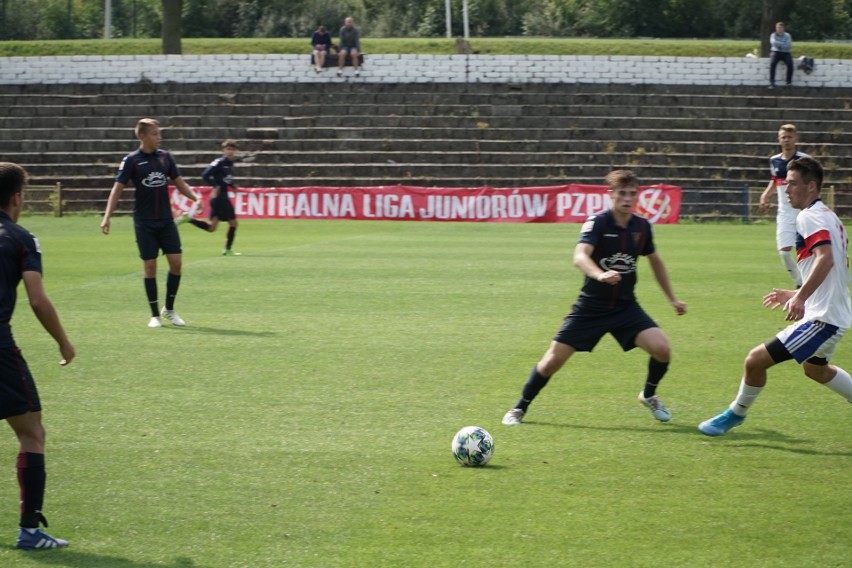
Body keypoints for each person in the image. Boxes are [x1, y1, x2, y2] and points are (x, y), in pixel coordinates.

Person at [501, 170, 688, 426]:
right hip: (591, 307)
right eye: (622, 193)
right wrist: (599, 275)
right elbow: (579, 256)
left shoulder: (641, 227)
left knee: (662, 349)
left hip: (625, 308)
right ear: (610, 194)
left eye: (632, 194)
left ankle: (649, 395)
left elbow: (655, 261)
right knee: (550, 363)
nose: (627, 198)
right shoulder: (597, 222)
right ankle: (519, 409)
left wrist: (672, 299)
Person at [699, 157, 852, 436]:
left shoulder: (809, 216)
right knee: (815, 369)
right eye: (785, 183)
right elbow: (841, 264)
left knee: (755, 360)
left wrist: (801, 297)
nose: (786, 189)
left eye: (792, 184)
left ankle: (735, 414)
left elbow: (827, 259)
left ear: (811, 186)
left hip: (823, 318)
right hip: (834, 313)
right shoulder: (831, 217)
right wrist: (796, 293)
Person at [0, 162, 76, 549]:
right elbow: (37, 299)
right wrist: (63, 342)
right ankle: (30, 531)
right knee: (32, 433)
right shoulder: (20, 238)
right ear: (17, 198)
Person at [100, 118, 201, 328]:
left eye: (159, 133)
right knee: (150, 266)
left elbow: (179, 183)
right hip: (144, 222)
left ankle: (169, 309)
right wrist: (107, 215)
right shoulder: (132, 160)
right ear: (142, 136)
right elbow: (117, 188)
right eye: (155, 133)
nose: (159, 137)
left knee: (176, 263)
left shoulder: (165, 158)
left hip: (166, 220)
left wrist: (195, 198)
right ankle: (154, 315)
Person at [759, 124, 809, 288]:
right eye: (783, 137)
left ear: (796, 138)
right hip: (784, 214)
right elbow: (775, 181)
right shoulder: (774, 160)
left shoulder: (804, 160)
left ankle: (811, 282)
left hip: (803, 212)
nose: (786, 140)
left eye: (789, 137)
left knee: (809, 252)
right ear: (779, 140)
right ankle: (799, 283)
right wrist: (766, 195)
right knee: (784, 252)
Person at [187, 139, 241, 256]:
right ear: (223, 150)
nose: (230, 151)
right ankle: (227, 249)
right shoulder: (219, 162)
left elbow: (227, 179)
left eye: (232, 149)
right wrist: (215, 185)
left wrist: (232, 186)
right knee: (233, 223)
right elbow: (205, 174)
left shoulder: (228, 163)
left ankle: (189, 219)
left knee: (211, 228)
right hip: (220, 198)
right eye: (228, 149)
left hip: (218, 199)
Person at [769, 21, 793, 89]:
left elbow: (788, 45)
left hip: (786, 52)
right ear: (776, 28)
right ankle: (772, 82)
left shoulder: (788, 35)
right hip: (775, 51)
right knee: (772, 64)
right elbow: (773, 42)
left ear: (783, 28)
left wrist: (779, 45)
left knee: (790, 64)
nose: (779, 29)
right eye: (778, 28)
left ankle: (788, 82)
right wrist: (783, 44)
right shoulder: (773, 35)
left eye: (780, 28)